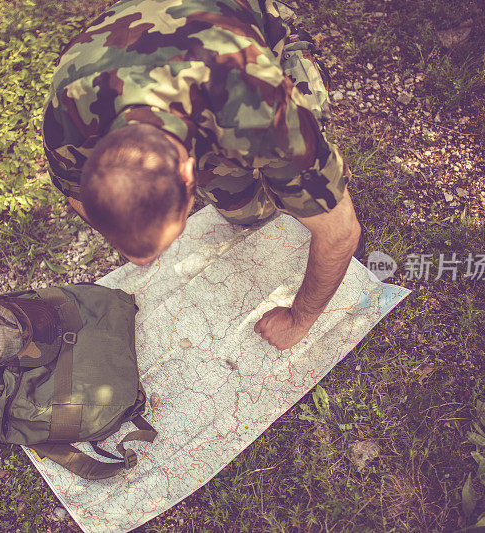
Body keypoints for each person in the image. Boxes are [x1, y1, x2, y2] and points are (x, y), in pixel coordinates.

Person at [42, 0, 361, 350]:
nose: (142, 262)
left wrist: (299, 319)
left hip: (250, 22)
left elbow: (341, 233)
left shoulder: (265, 114)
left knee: (274, 197)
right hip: (145, 37)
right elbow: (74, 191)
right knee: (244, 212)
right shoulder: (69, 109)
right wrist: (128, 238)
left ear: (190, 173)